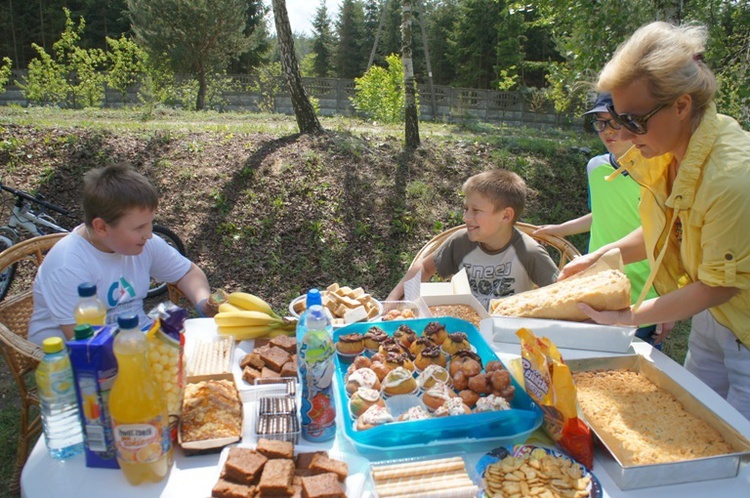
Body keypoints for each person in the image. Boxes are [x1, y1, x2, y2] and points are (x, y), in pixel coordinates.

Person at [560, 22, 750, 420]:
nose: (624, 132)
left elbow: (719, 286)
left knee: (738, 450)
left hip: (742, 325)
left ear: (681, 106)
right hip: (714, 321)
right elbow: (664, 232)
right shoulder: (666, 149)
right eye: (617, 117)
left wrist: (630, 317)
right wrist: (603, 256)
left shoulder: (732, 178)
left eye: (633, 120)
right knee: (695, 420)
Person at [534, 93, 669, 347]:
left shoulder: (659, 171)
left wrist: (668, 300)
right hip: (596, 286)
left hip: (644, 296)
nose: (607, 131)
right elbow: (601, 213)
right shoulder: (595, 167)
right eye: (600, 122)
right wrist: (561, 229)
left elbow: (665, 232)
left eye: (615, 122)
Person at [29, 162, 215, 345]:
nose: (149, 234)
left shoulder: (143, 243)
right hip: (70, 360)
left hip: (135, 340)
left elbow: (187, 272)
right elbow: (85, 345)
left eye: (150, 223)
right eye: (139, 227)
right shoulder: (67, 265)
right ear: (101, 227)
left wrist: (203, 303)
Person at [387, 169, 559, 309]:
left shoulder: (529, 251)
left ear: (506, 216)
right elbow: (424, 267)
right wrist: (393, 301)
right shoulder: (461, 242)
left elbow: (558, 294)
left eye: (476, 211)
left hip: (507, 338)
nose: (466, 218)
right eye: (466, 209)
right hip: (462, 331)